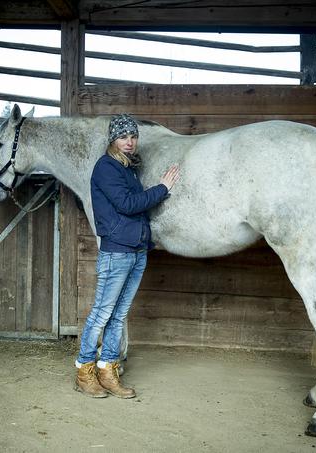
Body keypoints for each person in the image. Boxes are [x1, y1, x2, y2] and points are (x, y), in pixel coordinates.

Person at [74, 114, 180, 398]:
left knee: (119, 315)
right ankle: (85, 371)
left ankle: (108, 368)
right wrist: (162, 188)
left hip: (136, 250)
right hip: (117, 251)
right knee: (102, 313)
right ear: (113, 139)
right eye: (123, 137)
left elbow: (136, 207)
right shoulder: (106, 168)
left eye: (133, 136)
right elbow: (128, 204)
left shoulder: (128, 169)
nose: (130, 142)